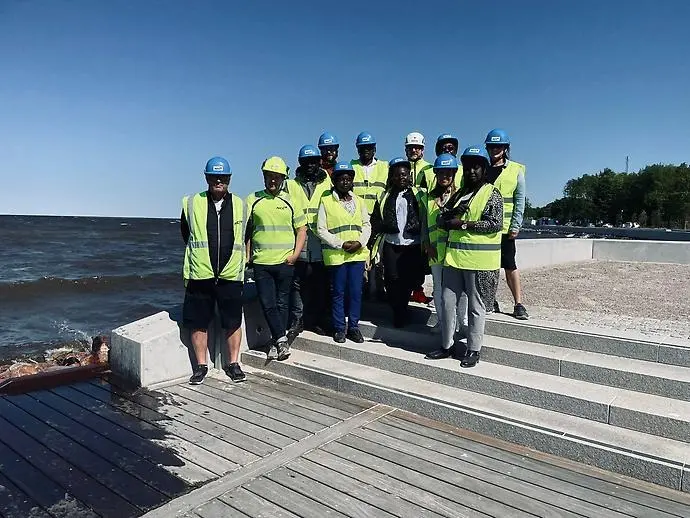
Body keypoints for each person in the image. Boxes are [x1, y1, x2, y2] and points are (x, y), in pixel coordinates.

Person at [425, 146, 503, 367]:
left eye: (476, 167)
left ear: (484, 170)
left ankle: (473, 349)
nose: (471, 172)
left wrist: (464, 223)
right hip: (454, 259)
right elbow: (443, 217)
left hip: (479, 262)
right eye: (467, 168)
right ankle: (446, 346)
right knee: (448, 303)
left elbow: (494, 224)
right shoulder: (460, 193)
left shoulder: (491, 193)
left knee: (475, 308)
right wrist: (445, 218)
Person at [181, 156, 247, 384]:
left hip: (230, 275)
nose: (219, 180)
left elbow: (246, 236)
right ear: (207, 178)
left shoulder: (241, 205)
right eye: (214, 177)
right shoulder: (191, 203)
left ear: (229, 179)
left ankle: (233, 364)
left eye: (223, 177)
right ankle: (201, 366)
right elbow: (185, 234)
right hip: (201, 274)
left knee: (232, 322)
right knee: (198, 322)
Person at [246, 156, 307, 361]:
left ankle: (276, 341)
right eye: (269, 176)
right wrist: (247, 257)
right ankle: (281, 340)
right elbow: (247, 231)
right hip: (261, 262)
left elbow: (301, 229)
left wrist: (295, 254)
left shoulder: (290, 200)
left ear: (283, 178)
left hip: (284, 262)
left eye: (277, 177)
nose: (273, 180)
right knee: (267, 303)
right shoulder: (252, 199)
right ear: (263, 176)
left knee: (282, 303)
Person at [317, 161, 371, 343]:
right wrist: (341, 244)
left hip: (357, 253)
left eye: (348, 179)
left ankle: (354, 327)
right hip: (337, 255)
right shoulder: (326, 201)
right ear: (334, 181)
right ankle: (340, 328)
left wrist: (360, 242)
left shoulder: (360, 201)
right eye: (341, 179)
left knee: (356, 292)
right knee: (338, 292)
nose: (345, 182)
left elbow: (366, 225)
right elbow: (321, 229)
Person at [370, 157, 425, 328]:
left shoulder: (419, 194)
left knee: (408, 279)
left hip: (412, 245)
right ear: (392, 177)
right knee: (392, 279)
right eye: (397, 175)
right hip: (391, 243)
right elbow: (377, 219)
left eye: (405, 174)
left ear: (409, 175)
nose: (402, 177)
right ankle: (397, 310)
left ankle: (402, 310)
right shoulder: (385, 196)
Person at [286, 145, 332, 338]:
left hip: (321, 241)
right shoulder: (291, 184)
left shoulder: (327, 182)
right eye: (306, 162)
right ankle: (297, 320)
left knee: (321, 283)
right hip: (299, 241)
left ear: (319, 162)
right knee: (297, 283)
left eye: (314, 161)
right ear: (300, 163)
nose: (310, 165)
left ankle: (317, 320)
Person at [484, 129, 528, 320]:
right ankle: (490, 300)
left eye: (498, 146)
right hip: (486, 228)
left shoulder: (516, 170)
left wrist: (516, 225)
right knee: (489, 267)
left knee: (510, 265)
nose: (495, 149)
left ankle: (518, 304)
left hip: (506, 228)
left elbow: (520, 200)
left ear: (505, 148)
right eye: (491, 146)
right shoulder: (483, 169)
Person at [421, 154, 461, 334]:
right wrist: (426, 244)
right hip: (435, 250)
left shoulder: (460, 195)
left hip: (455, 251)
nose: (444, 176)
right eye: (440, 173)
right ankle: (442, 321)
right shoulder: (429, 198)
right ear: (436, 174)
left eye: (448, 173)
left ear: (453, 174)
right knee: (438, 288)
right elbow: (424, 224)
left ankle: (459, 324)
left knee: (456, 290)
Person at [350, 131, 388, 299]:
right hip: (356, 220)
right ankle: (362, 291)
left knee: (377, 258)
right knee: (359, 255)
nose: (366, 151)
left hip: (378, 220)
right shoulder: (352, 166)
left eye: (369, 148)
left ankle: (377, 291)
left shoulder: (384, 167)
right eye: (362, 148)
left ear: (374, 149)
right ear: (358, 149)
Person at [405, 132, 434, 304]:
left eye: (417, 147)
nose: (414, 150)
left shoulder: (430, 169)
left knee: (420, 259)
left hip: (423, 218)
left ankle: (418, 289)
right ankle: (407, 289)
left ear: (423, 149)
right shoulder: (400, 167)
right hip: (404, 220)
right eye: (411, 147)